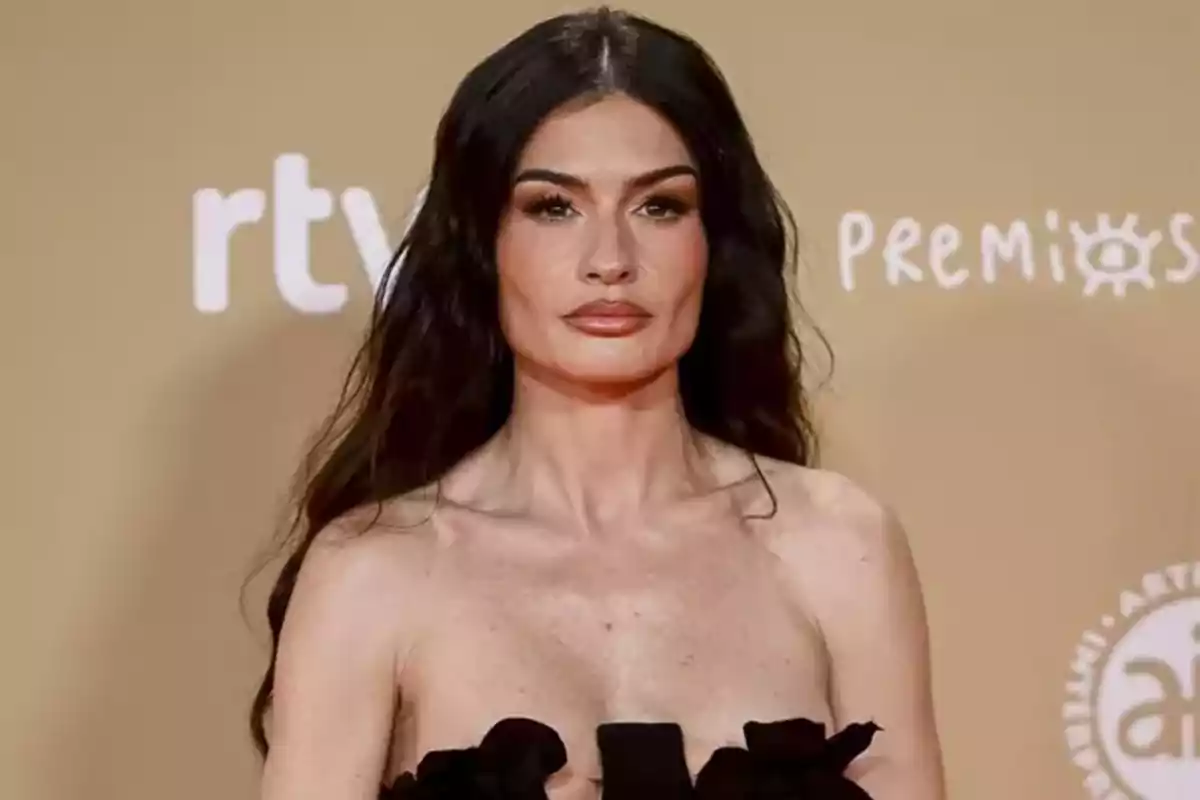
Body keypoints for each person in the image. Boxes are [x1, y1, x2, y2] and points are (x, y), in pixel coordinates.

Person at [250, 6, 947, 799]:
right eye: (554, 207)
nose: (610, 260)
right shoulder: (372, 574)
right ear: (483, 244)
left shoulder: (838, 548)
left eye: (660, 206)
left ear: (714, 244)